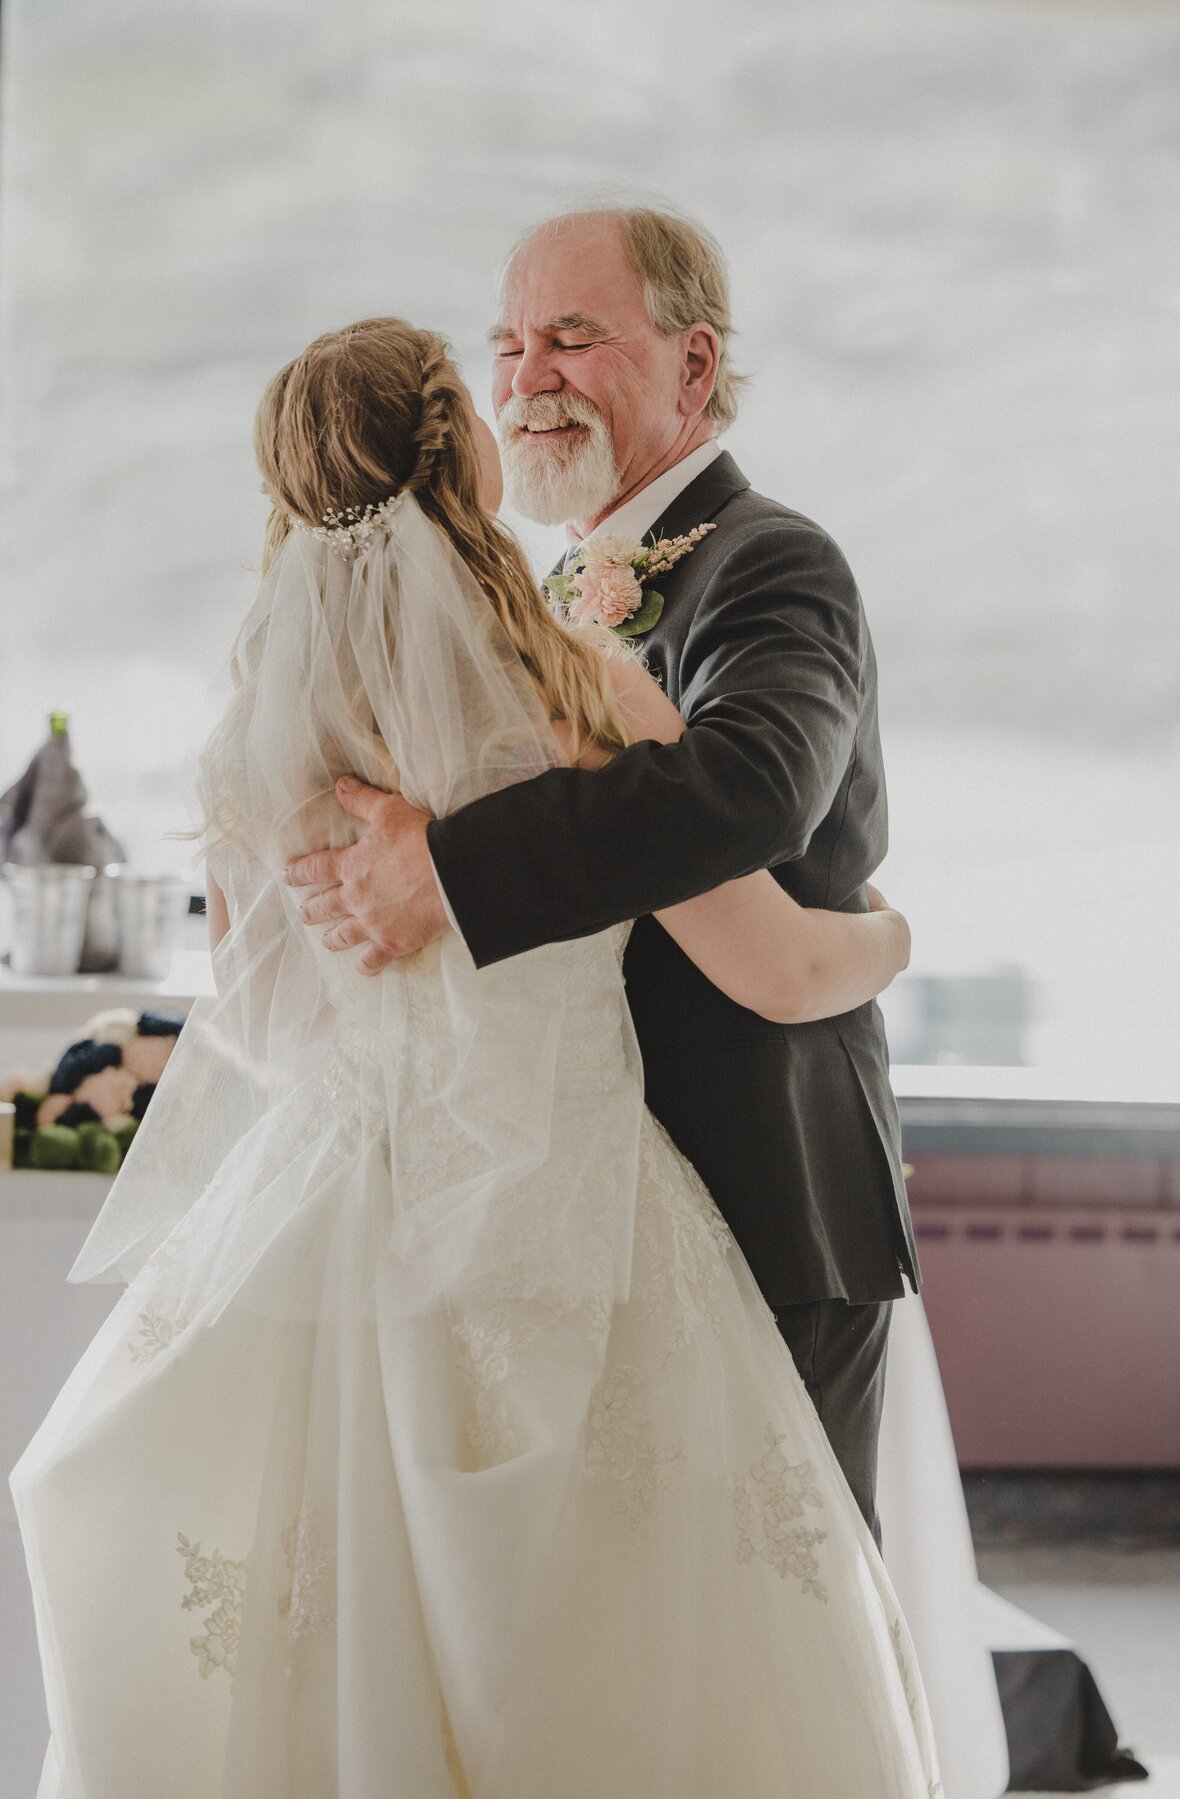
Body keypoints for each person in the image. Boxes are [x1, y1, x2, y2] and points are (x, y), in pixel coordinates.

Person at [11, 316, 939, 1797]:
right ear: (468, 450)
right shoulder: (587, 696)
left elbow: (265, 1033)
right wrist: (890, 937)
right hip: (581, 1214)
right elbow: (776, 971)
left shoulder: (257, 736)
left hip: (341, 1217)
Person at [285, 206, 918, 1540]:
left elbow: (753, 788)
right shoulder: (548, 586)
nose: (527, 379)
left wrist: (447, 870)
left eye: (571, 339)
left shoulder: (772, 561)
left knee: (781, 1627)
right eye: (510, 345)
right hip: (586, 1196)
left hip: (763, 1188)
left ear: (695, 368)